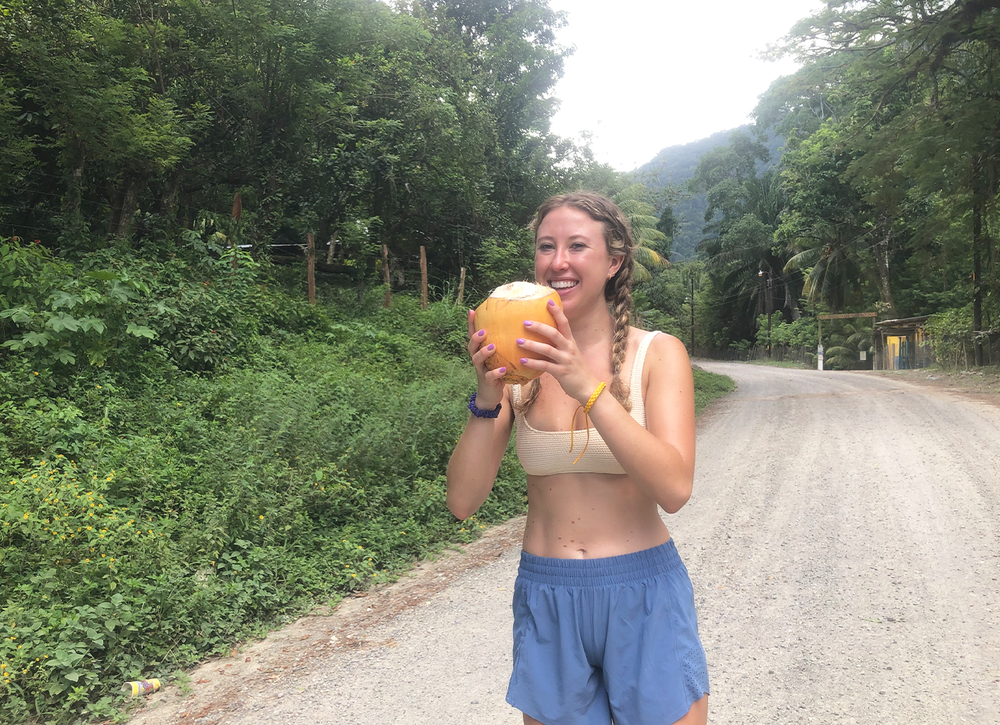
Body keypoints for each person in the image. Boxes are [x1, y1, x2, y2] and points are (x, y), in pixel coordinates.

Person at [446, 192, 709, 725]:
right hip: (548, 595)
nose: (558, 261)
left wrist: (584, 385)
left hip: (644, 594)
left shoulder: (658, 353)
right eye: (547, 246)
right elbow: (462, 501)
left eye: (577, 246)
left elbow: (675, 488)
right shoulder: (518, 367)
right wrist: (488, 394)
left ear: (613, 263)